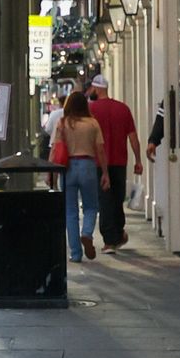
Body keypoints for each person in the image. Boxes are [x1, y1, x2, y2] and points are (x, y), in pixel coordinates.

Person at [85, 73, 141, 252]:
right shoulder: (123, 109)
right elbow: (133, 138)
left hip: (98, 162)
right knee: (117, 199)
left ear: (95, 88)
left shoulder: (90, 110)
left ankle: (110, 239)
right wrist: (138, 160)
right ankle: (118, 233)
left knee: (104, 200)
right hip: (119, 161)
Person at [54, 91, 108, 264]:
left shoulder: (62, 123)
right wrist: (105, 172)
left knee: (70, 212)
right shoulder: (92, 123)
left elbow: (55, 149)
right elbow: (100, 149)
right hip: (88, 165)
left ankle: (76, 254)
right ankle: (86, 233)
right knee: (91, 207)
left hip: (67, 168)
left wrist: (52, 173)